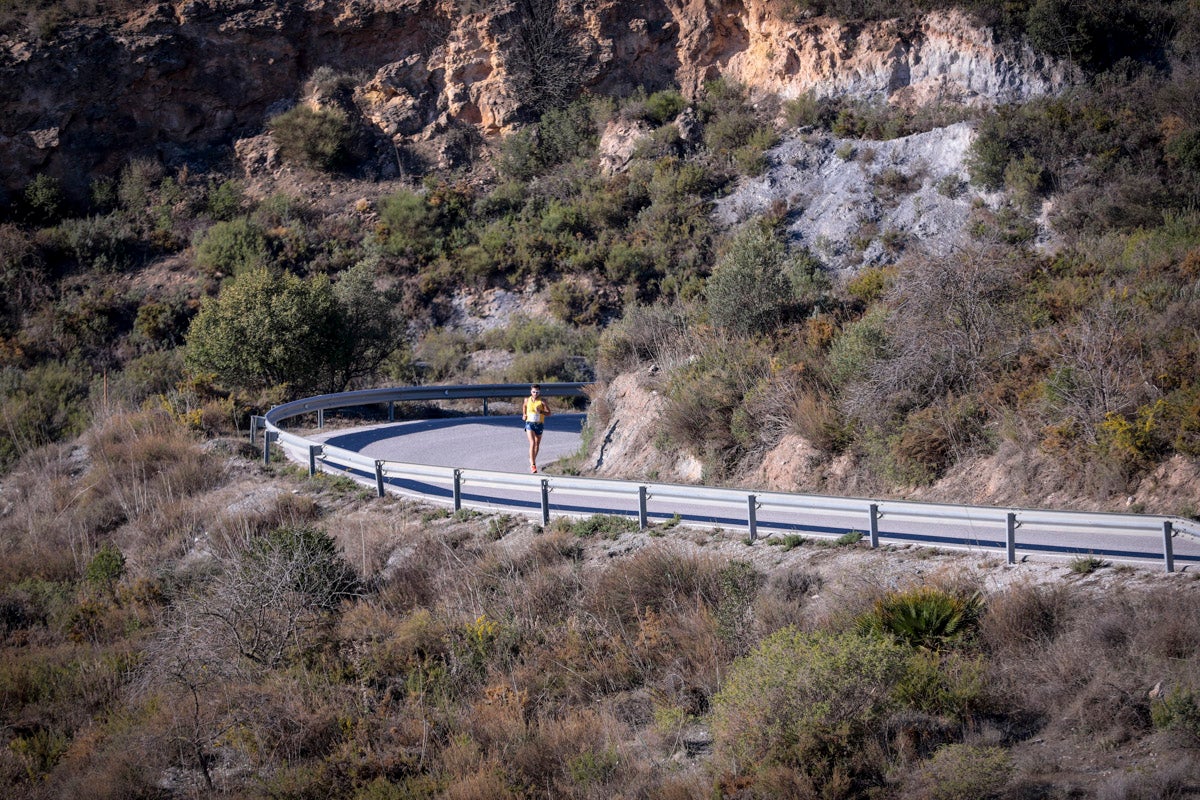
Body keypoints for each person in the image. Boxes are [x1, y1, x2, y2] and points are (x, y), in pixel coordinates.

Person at [522, 384, 552, 473]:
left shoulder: (543, 401)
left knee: (537, 444)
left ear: (539, 392)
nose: (535, 393)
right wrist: (524, 414)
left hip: (539, 424)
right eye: (533, 392)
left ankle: (532, 458)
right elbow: (524, 406)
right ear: (531, 391)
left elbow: (549, 413)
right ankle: (533, 465)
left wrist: (541, 411)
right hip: (529, 423)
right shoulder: (527, 400)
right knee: (532, 442)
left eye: (537, 392)